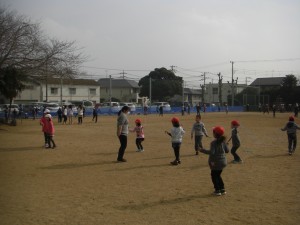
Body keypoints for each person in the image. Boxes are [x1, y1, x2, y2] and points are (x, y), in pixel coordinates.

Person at [199, 126, 229, 196]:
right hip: (223, 162)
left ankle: (217, 190)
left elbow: (212, 152)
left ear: (215, 134)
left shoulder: (213, 143)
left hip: (215, 163)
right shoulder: (223, 141)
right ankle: (222, 189)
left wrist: (202, 150)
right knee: (218, 175)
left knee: (214, 176)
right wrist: (226, 145)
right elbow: (227, 151)